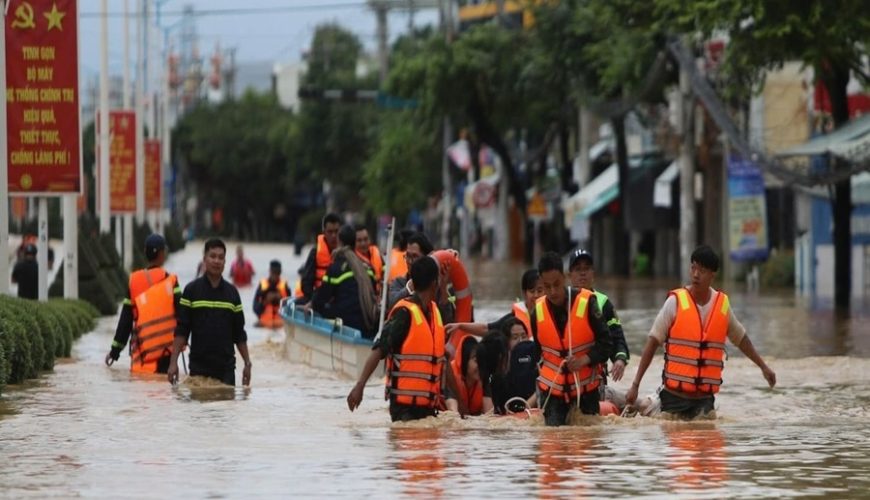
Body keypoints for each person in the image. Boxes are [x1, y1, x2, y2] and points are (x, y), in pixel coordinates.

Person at [626, 245, 777, 419]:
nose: (696, 274)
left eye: (702, 270)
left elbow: (741, 339)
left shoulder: (722, 305)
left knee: (709, 441)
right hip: (674, 397)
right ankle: (640, 404)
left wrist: (763, 367)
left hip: (704, 400)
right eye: (693, 268)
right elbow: (652, 343)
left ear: (713, 275)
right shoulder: (674, 303)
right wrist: (635, 384)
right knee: (667, 427)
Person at [347, 257, 445, 422]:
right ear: (434, 283)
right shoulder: (404, 314)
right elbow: (379, 350)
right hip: (403, 409)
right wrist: (360, 386)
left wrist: (461, 406)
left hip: (428, 407)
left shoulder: (434, 312)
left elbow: (442, 360)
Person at [531, 251, 612, 426]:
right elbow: (537, 354)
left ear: (565, 278)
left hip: (586, 392)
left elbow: (607, 344)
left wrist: (585, 360)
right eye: (547, 286)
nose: (552, 292)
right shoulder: (537, 312)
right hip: (552, 394)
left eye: (556, 284)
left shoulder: (587, 303)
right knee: (551, 445)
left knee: (588, 445)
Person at [168, 239, 251, 386]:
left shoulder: (232, 294)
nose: (217, 261)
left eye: (221, 257)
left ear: (225, 262)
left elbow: (239, 333)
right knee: (200, 408)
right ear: (204, 259)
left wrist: (247, 363)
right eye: (212, 256)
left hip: (226, 372)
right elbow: (182, 330)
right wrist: (173, 363)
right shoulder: (191, 291)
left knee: (225, 407)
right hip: (198, 370)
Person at [105, 234, 181, 373]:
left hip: (142, 351)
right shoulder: (171, 282)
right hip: (167, 352)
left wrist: (114, 352)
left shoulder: (134, 281)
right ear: (162, 253)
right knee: (165, 390)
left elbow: (125, 321)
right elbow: (183, 317)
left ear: (145, 252)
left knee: (141, 386)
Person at [568, 249, 630, 388]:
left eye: (587, 269)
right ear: (569, 275)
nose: (583, 273)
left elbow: (617, 337)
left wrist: (620, 359)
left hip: (595, 378)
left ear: (593, 273)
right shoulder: (562, 302)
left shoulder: (603, 303)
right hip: (565, 377)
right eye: (578, 269)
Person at [310, 225, 379, 338]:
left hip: (347, 322)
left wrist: (311, 303)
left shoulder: (336, 267)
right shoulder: (368, 268)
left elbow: (321, 299)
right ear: (354, 242)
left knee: (320, 308)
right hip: (368, 325)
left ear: (339, 241)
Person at [445, 269, 544, 338]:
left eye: (540, 291)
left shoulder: (553, 312)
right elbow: (486, 329)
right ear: (524, 293)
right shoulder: (513, 319)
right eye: (532, 291)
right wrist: (460, 326)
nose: (536, 295)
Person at [387, 232, 455, 325]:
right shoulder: (398, 283)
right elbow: (391, 306)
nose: (410, 262)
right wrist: (411, 286)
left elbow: (448, 321)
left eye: (415, 257)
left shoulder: (436, 286)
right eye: (407, 256)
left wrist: (443, 287)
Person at [294, 213, 342, 303]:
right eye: (330, 232)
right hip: (319, 298)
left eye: (336, 231)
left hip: (340, 300)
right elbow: (306, 283)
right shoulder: (315, 252)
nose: (334, 235)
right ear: (324, 232)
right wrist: (316, 300)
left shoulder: (347, 253)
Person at [444, 333, 483, 416]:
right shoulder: (450, 377)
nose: (481, 366)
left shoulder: (485, 382)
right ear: (465, 361)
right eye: (476, 361)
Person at [253, 260, 289, 327]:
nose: (275, 276)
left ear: (280, 273)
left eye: (277, 273)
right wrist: (265, 301)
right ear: (270, 271)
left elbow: (290, 309)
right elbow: (255, 308)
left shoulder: (285, 286)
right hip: (264, 324)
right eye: (273, 273)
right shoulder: (262, 285)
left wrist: (280, 300)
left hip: (280, 325)